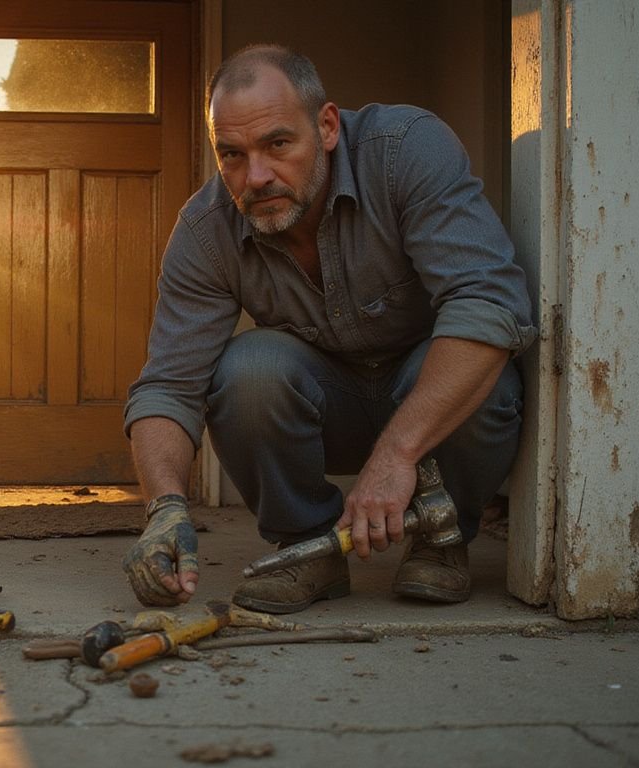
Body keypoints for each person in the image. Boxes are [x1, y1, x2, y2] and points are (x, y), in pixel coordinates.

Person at [121, 44, 536, 614]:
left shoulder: (406, 149)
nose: (256, 176)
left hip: (427, 402)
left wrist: (397, 454)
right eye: (232, 155)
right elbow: (169, 385)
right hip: (327, 407)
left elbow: (489, 302)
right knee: (250, 369)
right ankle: (306, 549)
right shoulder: (205, 229)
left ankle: (441, 540)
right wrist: (163, 507)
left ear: (327, 126)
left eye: (277, 144)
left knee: (491, 377)